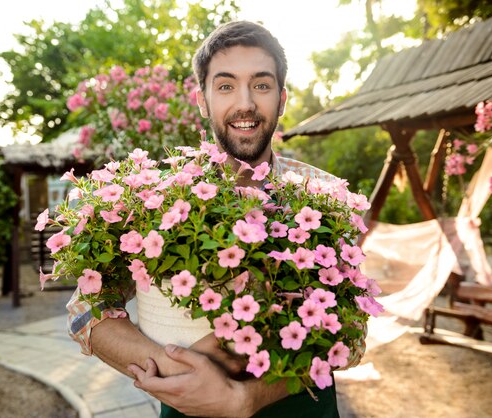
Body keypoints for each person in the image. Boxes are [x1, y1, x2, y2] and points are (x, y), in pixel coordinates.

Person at [67, 20, 362, 418]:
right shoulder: (155, 200)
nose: (245, 103)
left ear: (283, 98)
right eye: (225, 86)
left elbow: (352, 335)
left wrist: (244, 398)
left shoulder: (325, 195)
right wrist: (178, 369)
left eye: (261, 84)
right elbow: (88, 313)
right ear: (202, 100)